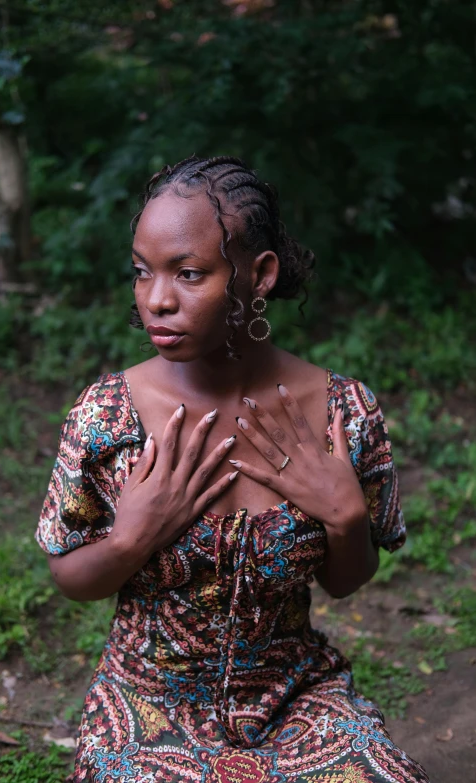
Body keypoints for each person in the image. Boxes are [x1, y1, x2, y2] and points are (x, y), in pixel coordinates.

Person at [36, 156, 430, 782]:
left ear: (260, 274)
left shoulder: (341, 414)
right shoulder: (107, 419)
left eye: (189, 274)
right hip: (149, 703)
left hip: (295, 698)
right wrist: (133, 538)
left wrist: (345, 515)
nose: (157, 299)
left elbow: (346, 582)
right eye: (142, 272)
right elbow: (70, 578)